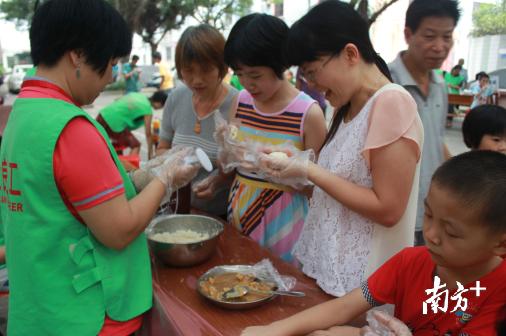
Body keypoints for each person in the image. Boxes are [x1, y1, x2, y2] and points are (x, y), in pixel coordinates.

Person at [0, 1, 198, 334]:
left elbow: (67, 195)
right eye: (110, 62)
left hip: (42, 304)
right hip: (86, 314)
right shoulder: (71, 128)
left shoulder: (25, 113)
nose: (111, 76)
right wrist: (164, 180)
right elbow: (119, 230)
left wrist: (141, 176)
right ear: (77, 54)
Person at [242, 150, 506, 336]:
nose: (431, 235)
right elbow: (346, 306)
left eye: (451, 232)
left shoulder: (500, 292)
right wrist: (273, 329)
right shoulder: (411, 261)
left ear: (500, 244)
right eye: (428, 216)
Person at [256, 0, 423, 294]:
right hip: (328, 273)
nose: (311, 84)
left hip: (363, 286)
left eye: (311, 72)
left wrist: (309, 170)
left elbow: (388, 208)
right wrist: (294, 167)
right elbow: (340, 187)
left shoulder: (391, 101)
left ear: (350, 54)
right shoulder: (345, 107)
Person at [223, 13, 327, 262]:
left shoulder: (308, 113)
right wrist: (226, 146)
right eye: (240, 73)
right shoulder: (240, 102)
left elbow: (320, 186)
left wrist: (291, 171)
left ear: (280, 64)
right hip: (240, 209)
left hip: (286, 220)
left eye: (256, 75)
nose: (247, 83)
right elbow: (230, 155)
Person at [389, 0, 459, 246]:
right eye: (430, 36)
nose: (440, 47)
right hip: (398, 216)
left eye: (447, 37)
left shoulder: (441, 85)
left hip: (434, 213)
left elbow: (437, 142)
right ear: (408, 34)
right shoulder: (387, 84)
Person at [157, 24, 238, 218]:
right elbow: (161, 148)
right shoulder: (176, 97)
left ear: (223, 67)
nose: (196, 80)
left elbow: (242, 168)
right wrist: (174, 160)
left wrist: (219, 181)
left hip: (219, 215)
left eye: (206, 70)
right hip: (176, 208)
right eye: (188, 70)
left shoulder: (238, 104)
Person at [96, 90, 167, 158]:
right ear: (159, 103)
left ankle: (118, 166)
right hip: (114, 123)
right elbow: (148, 134)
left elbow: (118, 100)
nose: (161, 108)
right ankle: (131, 169)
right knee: (136, 145)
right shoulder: (147, 110)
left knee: (118, 145)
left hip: (102, 116)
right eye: (162, 106)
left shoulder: (138, 95)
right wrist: (150, 154)